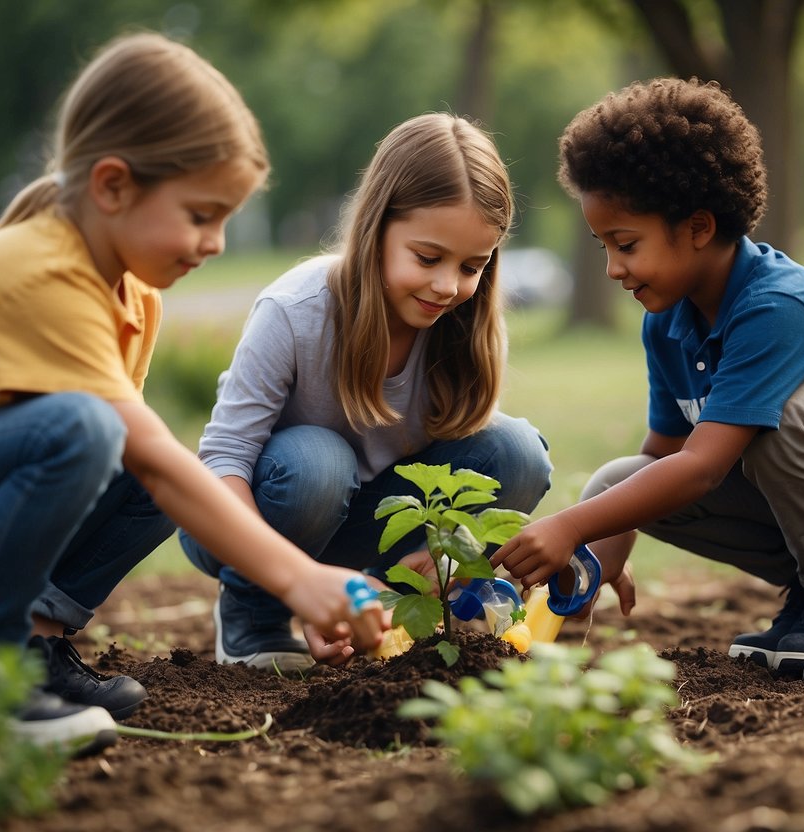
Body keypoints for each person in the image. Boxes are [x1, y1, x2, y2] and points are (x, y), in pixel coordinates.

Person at [0, 32, 385, 756]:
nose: (216, 243)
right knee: (95, 432)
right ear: (112, 185)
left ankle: (32, 644)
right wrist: (297, 577)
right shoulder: (40, 274)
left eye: (225, 219)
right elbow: (122, 445)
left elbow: (139, 461)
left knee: (141, 461)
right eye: (201, 214)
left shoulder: (133, 294)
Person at [492, 78, 804, 673]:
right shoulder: (667, 321)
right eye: (602, 247)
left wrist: (565, 525)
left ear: (697, 227)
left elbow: (702, 468)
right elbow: (664, 457)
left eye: (627, 243)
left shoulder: (774, 307)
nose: (614, 268)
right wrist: (596, 558)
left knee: (784, 417)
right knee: (624, 477)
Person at [179, 113, 553, 672]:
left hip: (365, 524)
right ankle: (251, 614)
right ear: (376, 228)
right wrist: (298, 579)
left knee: (518, 452)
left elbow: (472, 461)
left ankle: (374, 604)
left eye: (473, 266)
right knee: (318, 462)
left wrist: (441, 554)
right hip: (255, 515)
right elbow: (223, 460)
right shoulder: (296, 311)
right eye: (427, 258)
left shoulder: (464, 324)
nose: (448, 286)